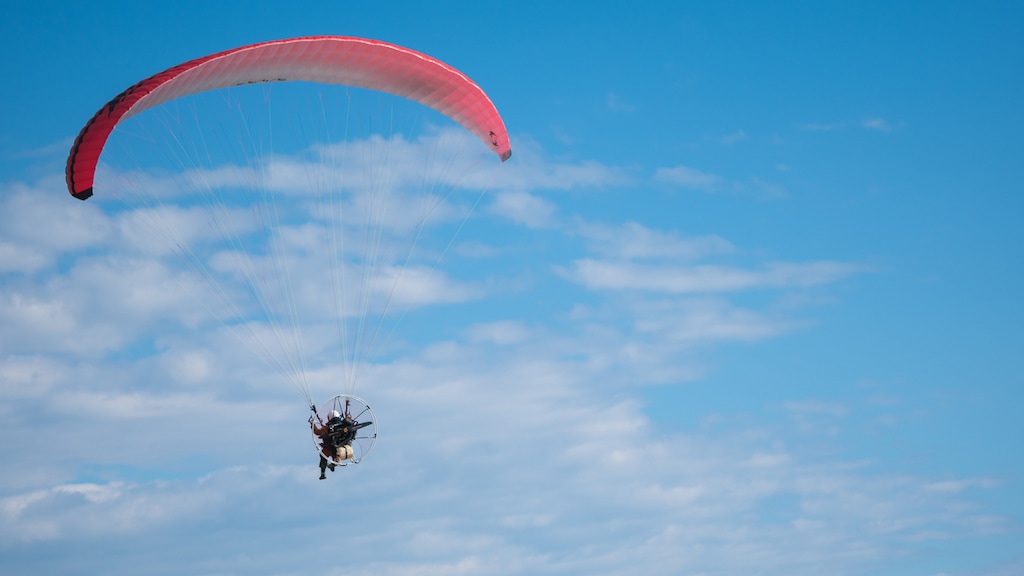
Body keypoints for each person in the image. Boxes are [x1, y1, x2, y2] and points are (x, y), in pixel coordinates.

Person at [311, 409, 356, 480]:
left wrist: (312, 424)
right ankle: (334, 463)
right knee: (335, 452)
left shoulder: (327, 428)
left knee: (323, 455)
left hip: (330, 448)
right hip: (343, 446)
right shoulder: (344, 425)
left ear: (329, 418)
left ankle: (323, 472)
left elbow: (317, 432)